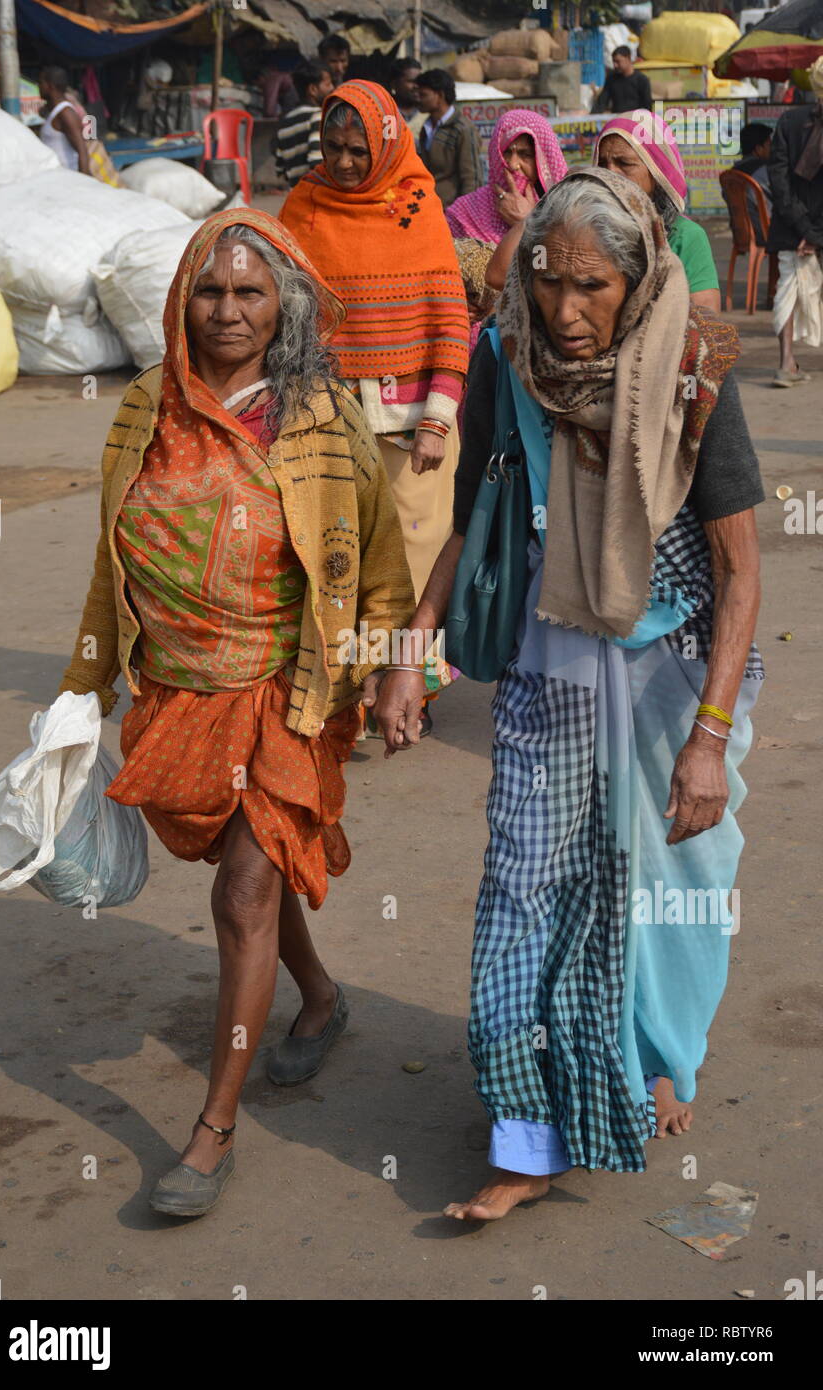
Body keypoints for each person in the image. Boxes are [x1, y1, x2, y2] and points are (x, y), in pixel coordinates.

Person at [371, 168, 764, 1222]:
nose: (567, 311)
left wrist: (709, 740)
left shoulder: (696, 362)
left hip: (672, 671)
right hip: (549, 671)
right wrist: (409, 651)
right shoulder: (507, 353)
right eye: (547, 284)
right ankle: (529, 1134)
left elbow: (740, 573)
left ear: (637, 278)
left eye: (593, 286)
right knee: (524, 897)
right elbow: (472, 513)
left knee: (670, 881)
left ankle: (658, 1057)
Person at [58, 208, 415, 1217]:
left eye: (249, 293)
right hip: (174, 687)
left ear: (283, 307)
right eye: (209, 292)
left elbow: (379, 559)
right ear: (182, 299)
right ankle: (324, 998)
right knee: (239, 867)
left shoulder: (320, 417)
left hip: (287, 690)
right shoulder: (142, 410)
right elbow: (109, 562)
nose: (226, 311)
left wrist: (394, 669)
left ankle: (214, 1127)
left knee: (243, 894)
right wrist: (81, 688)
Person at [281, 81, 469, 612]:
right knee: (337, 551)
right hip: (325, 418)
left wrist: (436, 421)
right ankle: (348, 678)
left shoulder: (416, 206)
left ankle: (409, 683)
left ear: (385, 145)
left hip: (411, 429)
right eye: (332, 147)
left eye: (357, 151)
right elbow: (284, 311)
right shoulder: (305, 205)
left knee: (414, 550)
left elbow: (450, 320)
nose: (342, 162)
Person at [594, 110, 721, 311]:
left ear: (657, 173)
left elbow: (706, 323)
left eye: (624, 163)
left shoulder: (685, 237)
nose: (610, 174)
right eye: (602, 164)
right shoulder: (587, 232)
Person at [446, 110, 568, 294]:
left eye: (525, 154)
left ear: (543, 157)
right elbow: (445, 273)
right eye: (506, 153)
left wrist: (530, 222)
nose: (513, 164)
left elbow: (558, 276)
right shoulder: (464, 211)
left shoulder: (565, 210)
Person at [767, 58, 823, 387]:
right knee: (787, 290)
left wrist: (807, 231)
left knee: (786, 291)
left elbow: (779, 182)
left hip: (793, 228)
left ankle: (786, 363)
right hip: (803, 229)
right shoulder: (792, 123)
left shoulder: (788, 121)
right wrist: (813, 232)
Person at [416, 68, 482, 207]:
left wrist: (465, 213)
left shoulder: (462, 129)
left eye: (423, 95)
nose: (418, 99)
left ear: (440, 95)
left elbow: (471, 178)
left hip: (451, 209)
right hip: (430, 205)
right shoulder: (427, 128)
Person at [274, 61, 334, 187]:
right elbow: (317, 164)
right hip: (314, 194)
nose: (332, 88)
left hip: (295, 195)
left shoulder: (285, 122)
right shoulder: (317, 116)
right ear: (313, 89)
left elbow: (281, 168)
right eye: (328, 84)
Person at [37, 66, 91, 175]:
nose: (38, 86)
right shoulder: (54, 111)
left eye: (41, 83)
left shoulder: (66, 113)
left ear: (50, 86)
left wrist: (84, 185)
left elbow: (82, 151)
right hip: (57, 179)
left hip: (68, 178)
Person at [731, 121, 773, 246]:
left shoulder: (731, 174)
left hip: (740, 233)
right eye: (769, 145)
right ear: (758, 149)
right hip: (764, 233)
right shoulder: (764, 171)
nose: (772, 150)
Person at [592, 44, 652, 114]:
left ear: (628, 58)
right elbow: (602, 102)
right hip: (617, 120)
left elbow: (647, 106)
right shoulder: (611, 79)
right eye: (613, 62)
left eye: (618, 61)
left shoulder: (642, 80)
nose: (615, 65)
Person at [389, 56, 425, 138]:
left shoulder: (427, 114)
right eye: (411, 81)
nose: (416, 86)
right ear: (394, 84)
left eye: (419, 81)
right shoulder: (385, 112)